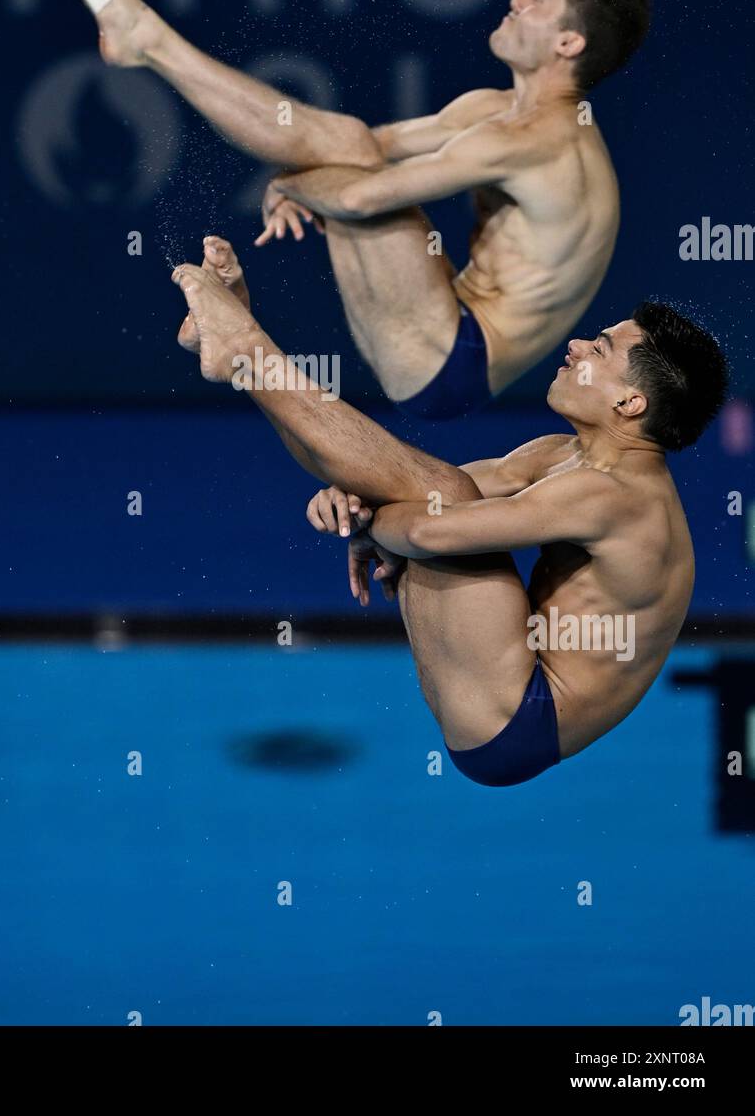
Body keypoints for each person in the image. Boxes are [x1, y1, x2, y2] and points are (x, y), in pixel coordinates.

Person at [170, 239, 726, 787]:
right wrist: (362, 498)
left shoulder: (617, 496)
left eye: (600, 350)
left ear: (630, 404)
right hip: (505, 693)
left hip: (517, 718)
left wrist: (373, 518)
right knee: (423, 484)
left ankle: (245, 345)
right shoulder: (561, 453)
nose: (578, 344)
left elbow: (424, 527)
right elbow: (392, 488)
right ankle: (240, 351)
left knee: (440, 491)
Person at [54, 0, 650, 417]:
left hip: (449, 364)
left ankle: (150, 41)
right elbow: (374, 145)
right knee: (348, 145)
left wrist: (293, 183)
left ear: (568, 43)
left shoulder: (540, 140)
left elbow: (363, 195)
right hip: (448, 317)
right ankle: (147, 41)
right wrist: (305, 173)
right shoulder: (495, 109)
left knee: (345, 157)